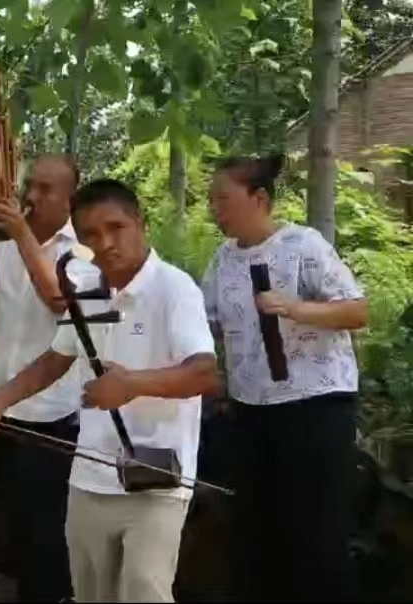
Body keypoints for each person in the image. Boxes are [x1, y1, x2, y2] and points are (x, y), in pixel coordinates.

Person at [0, 179, 219, 603]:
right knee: (90, 594)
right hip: (90, 475)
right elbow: (56, 358)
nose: (104, 243)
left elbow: (204, 373)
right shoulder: (88, 290)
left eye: (116, 227)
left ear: (140, 223)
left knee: (144, 589)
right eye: (90, 234)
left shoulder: (174, 289)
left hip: (158, 477)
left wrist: (132, 385)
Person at [202, 154, 368, 602]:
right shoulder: (222, 259)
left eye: (224, 199)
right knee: (255, 532)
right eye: (212, 200)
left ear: (260, 199)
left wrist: (295, 308)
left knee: (316, 534)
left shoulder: (303, 245)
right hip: (251, 410)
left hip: (315, 407)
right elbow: (207, 323)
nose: (216, 209)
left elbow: (356, 310)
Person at [0, 153, 85, 603]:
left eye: (45, 189)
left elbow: (58, 299)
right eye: (29, 184)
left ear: (72, 198)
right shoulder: (10, 241)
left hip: (55, 415)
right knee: (17, 532)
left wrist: (20, 235)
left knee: (49, 536)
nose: (31, 196)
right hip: (3, 409)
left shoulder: (84, 248)